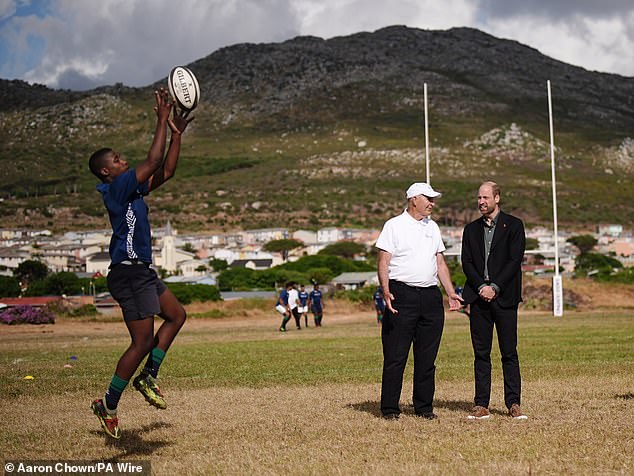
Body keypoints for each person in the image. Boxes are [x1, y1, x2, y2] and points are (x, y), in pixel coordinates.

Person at [88, 88, 193, 439]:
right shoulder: (116, 189)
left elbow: (166, 171)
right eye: (117, 159)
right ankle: (108, 403)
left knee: (177, 316)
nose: (123, 161)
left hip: (142, 271)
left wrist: (175, 136)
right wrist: (161, 121)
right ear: (106, 172)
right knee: (142, 342)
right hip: (129, 273)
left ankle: (149, 376)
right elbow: (151, 161)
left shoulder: (132, 190)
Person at [376, 182, 462, 420]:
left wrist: (450, 292)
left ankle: (424, 407)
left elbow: (440, 263)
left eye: (433, 199)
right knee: (396, 355)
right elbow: (383, 262)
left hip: (430, 297)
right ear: (414, 199)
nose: (432, 203)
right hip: (401, 294)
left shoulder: (433, 227)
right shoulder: (393, 226)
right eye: (428, 198)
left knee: (427, 357)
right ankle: (390, 409)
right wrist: (385, 291)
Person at [461, 181, 527, 420]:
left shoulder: (514, 226)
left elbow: (514, 260)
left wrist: (495, 287)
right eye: (479, 198)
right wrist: (481, 287)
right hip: (478, 299)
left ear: (497, 198)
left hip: (505, 298)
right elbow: (466, 262)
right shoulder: (470, 230)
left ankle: (513, 403)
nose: (481, 202)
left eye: (485, 198)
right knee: (481, 353)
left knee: (509, 351)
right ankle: (481, 404)